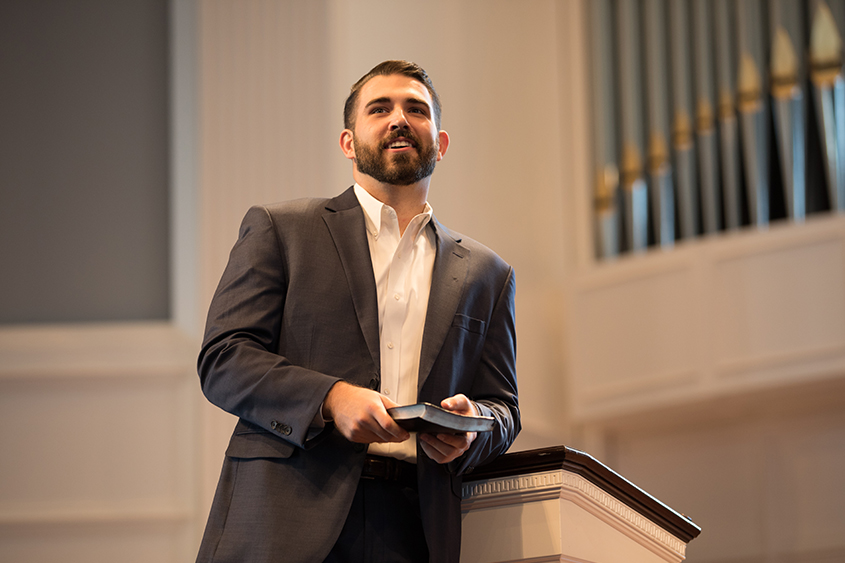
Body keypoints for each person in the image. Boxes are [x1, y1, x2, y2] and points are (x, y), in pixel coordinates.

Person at [195, 60, 519, 563]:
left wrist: (473, 424)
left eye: (416, 109)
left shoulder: (487, 273)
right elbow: (223, 359)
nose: (399, 119)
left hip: (418, 525)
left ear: (441, 142)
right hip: (287, 513)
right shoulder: (282, 229)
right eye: (380, 108)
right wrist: (331, 398)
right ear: (348, 142)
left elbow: (504, 409)